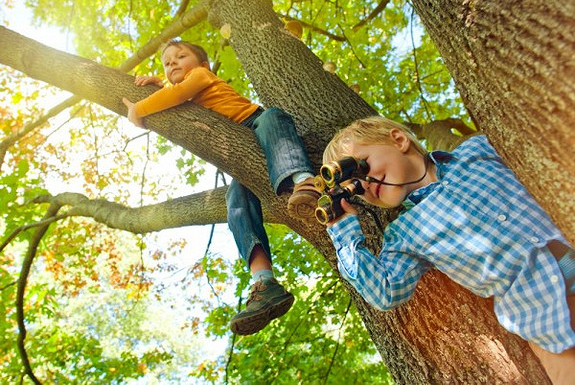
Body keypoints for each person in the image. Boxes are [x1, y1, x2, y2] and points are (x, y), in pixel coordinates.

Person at [322, 116, 575, 384]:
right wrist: (342, 227)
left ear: (399, 140)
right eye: (355, 187)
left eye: (362, 165)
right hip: (546, 320)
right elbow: (385, 291)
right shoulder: (404, 232)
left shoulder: (476, 151)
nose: (365, 184)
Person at [122, 40, 320, 335]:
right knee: (236, 199)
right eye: (166, 63)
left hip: (255, 124)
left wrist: (140, 108)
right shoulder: (186, 93)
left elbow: (179, 94)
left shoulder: (202, 77)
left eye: (180, 56)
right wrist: (158, 86)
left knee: (272, 116)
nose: (172, 63)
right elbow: (176, 98)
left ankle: (305, 183)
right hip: (241, 153)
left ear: (203, 66)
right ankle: (265, 283)